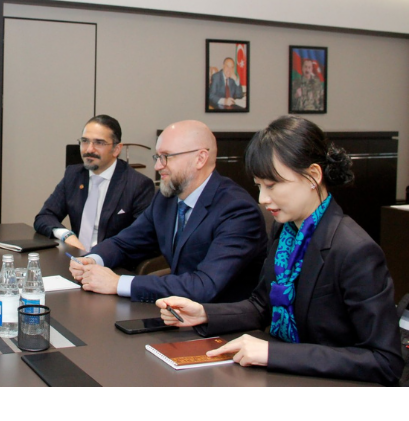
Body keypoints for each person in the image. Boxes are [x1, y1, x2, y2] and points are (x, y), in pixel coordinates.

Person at [156, 116, 403, 385]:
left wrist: (273, 353)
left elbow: (385, 361)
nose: (263, 199)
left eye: (272, 185)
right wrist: (204, 313)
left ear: (313, 176)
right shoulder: (285, 231)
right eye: (259, 185)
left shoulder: (355, 249)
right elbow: (262, 305)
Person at [69, 120, 267, 303]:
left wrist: (118, 283)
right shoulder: (167, 199)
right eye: (157, 157)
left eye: (166, 157)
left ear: (200, 159)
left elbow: (204, 286)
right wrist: (92, 260)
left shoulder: (237, 210)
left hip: (220, 321)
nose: (157, 166)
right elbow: (126, 242)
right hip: (176, 310)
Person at [34, 115, 155, 253]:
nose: (89, 149)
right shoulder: (74, 175)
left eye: (99, 143)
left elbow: (142, 237)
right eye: (85, 141)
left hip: (111, 261)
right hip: (75, 257)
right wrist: (66, 235)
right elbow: (44, 216)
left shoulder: (138, 185)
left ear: (116, 149)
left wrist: (98, 257)